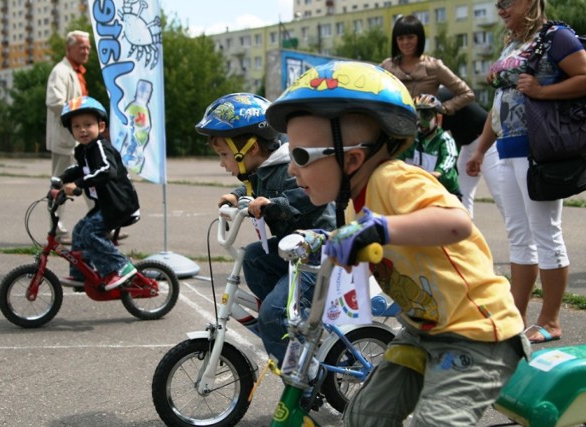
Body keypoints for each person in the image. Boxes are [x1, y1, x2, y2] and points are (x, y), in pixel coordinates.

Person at [266, 60, 528, 425]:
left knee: (435, 423)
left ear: (353, 158)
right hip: (421, 331)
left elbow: (456, 222)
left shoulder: (393, 178)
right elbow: (359, 236)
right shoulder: (351, 203)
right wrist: (324, 239)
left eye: (299, 156)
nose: (291, 169)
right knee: (362, 418)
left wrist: (379, 230)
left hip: (477, 335)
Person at [466, 0, 586, 344]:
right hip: (508, 149)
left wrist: (543, 90)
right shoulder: (512, 43)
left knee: (545, 234)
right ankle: (515, 318)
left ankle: (550, 321)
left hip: (539, 152)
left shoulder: (556, 36)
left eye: (508, 1)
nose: (501, 8)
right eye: (497, 3)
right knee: (519, 237)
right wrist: (481, 149)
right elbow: (500, 102)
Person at [195, 92, 335, 365]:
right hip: (295, 251)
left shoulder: (293, 165)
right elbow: (254, 184)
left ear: (250, 148)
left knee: (272, 311)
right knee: (254, 256)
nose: (222, 163)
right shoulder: (264, 166)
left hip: (319, 254)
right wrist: (237, 195)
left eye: (224, 155)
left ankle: (304, 375)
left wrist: (274, 203)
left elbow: (308, 196)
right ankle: (289, 317)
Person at [58, 96, 140, 290]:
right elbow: (81, 168)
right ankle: (80, 274)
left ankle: (120, 267)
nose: (83, 130)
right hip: (105, 205)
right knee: (79, 230)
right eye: (76, 126)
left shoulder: (101, 147)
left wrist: (78, 184)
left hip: (120, 204)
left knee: (90, 232)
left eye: (88, 124)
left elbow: (106, 170)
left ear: (101, 126)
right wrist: (62, 179)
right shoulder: (84, 150)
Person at [46, 30, 91, 242]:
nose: (86, 51)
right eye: (82, 47)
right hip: (66, 140)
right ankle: (56, 229)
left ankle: (103, 224)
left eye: (88, 47)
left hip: (79, 138)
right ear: (69, 48)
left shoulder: (77, 72)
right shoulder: (60, 71)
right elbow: (54, 102)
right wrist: (80, 117)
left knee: (91, 178)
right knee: (60, 184)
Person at [380, 14, 474, 115]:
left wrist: (443, 108)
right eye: (400, 38)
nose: (405, 42)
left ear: (419, 38)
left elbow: (467, 93)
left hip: (424, 128)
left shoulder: (434, 67)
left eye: (410, 37)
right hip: (392, 127)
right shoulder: (387, 66)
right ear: (395, 41)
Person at [437, 86, 504, 219]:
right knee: (461, 192)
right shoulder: (431, 97)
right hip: (468, 146)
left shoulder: (437, 98)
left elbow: (436, 135)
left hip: (487, 143)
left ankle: (521, 235)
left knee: (500, 193)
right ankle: (466, 233)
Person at [397, 93, 461, 199]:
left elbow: (449, 158)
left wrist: (438, 172)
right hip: (422, 188)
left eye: (426, 116)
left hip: (445, 190)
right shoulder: (413, 139)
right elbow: (400, 156)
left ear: (438, 119)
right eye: (417, 116)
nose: (421, 121)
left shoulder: (445, 139)